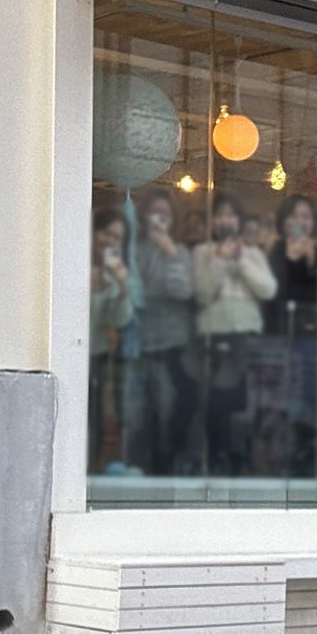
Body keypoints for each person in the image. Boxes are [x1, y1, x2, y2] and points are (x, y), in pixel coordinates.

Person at [191, 192, 277, 475]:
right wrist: (218, 260)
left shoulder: (253, 253)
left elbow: (268, 290)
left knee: (246, 403)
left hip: (247, 338)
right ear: (212, 221)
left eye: (230, 215)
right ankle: (217, 458)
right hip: (213, 336)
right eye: (220, 215)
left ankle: (242, 461)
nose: (225, 220)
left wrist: (241, 261)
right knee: (215, 402)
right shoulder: (202, 252)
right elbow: (202, 293)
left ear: (238, 221)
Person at [129, 185, 196, 475]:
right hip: (141, 342)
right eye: (154, 213)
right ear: (144, 216)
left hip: (172, 343)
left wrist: (170, 253)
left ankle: (166, 464)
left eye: (165, 214)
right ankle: (142, 464)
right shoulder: (136, 250)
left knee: (169, 405)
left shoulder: (179, 251)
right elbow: (134, 291)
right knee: (141, 409)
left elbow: (183, 291)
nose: (159, 219)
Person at [267, 195, 317, 476]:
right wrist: (290, 259)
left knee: (311, 403)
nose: (301, 222)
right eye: (295, 216)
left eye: (306, 217)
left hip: (313, 341)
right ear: (284, 221)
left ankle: (308, 459)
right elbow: (273, 293)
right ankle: (280, 459)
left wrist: (312, 262)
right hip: (280, 339)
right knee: (282, 402)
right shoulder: (276, 250)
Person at [88, 207, 134, 469]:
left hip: (98, 353)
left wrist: (122, 287)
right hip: (69, 352)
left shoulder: (113, 274)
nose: (110, 241)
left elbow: (120, 320)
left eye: (117, 238)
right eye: (106, 233)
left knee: (95, 416)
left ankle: (93, 466)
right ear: (94, 233)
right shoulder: (75, 262)